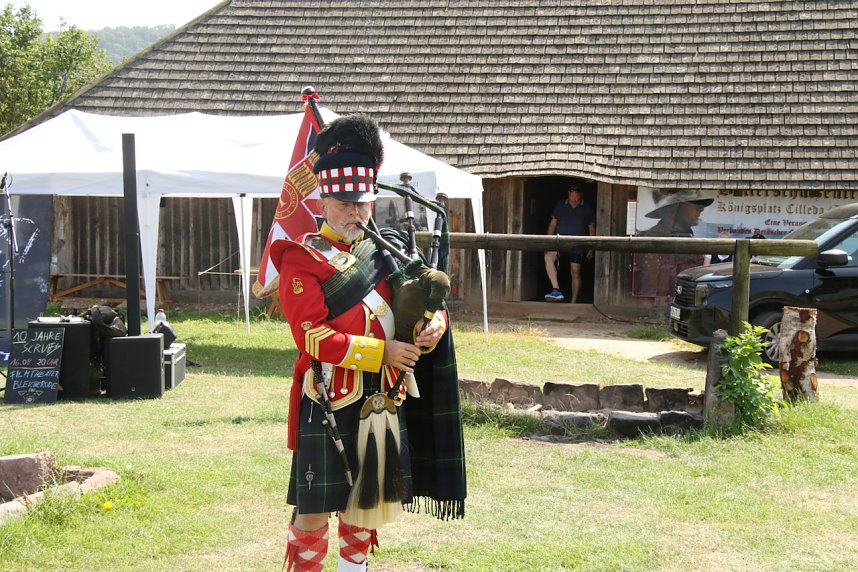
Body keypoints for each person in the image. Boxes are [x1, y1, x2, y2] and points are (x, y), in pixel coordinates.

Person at [269, 114, 466, 572]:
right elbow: (311, 337)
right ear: (323, 202)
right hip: (329, 399)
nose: (356, 213)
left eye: (363, 203)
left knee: (365, 508)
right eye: (345, 204)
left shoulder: (388, 250)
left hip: (381, 396)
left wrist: (433, 325)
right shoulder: (301, 259)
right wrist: (382, 352)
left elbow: (416, 306)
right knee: (314, 513)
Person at [632, 189, 714, 296]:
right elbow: (650, 287)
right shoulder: (652, 241)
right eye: (693, 204)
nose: (701, 209)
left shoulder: (690, 239)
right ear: (675, 209)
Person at [543, 185, 596, 303]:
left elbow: (591, 228)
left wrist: (591, 247)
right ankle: (556, 289)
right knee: (548, 256)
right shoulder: (560, 205)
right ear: (568, 194)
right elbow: (553, 224)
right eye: (572, 196)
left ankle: (573, 302)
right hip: (559, 242)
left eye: (577, 196)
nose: (574, 199)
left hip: (577, 244)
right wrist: (547, 241)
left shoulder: (587, 208)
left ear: (581, 195)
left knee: (575, 271)